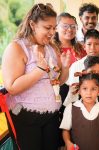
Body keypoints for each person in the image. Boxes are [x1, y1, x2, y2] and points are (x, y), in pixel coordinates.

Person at [2, 3, 71, 150]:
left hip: (51, 116)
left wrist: (65, 67)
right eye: (47, 28)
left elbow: (59, 81)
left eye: (54, 27)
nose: (52, 32)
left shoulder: (51, 48)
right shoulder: (16, 48)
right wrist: (39, 70)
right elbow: (12, 87)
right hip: (25, 118)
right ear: (32, 24)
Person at [60, 73, 99, 150]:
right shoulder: (71, 108)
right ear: (79, 90)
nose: (89, 93)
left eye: (93, 89)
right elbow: (65, 130)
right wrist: (68, 142)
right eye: (85, 88)